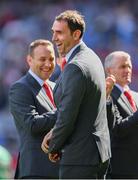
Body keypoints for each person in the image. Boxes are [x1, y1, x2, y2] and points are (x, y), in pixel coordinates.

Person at [41, 10, 111, 179]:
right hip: (97, 153)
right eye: (53, 32)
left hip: (80, 157)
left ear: (76, 34)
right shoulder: (92, 57)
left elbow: (68, 114)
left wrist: (54, 145)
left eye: (59, 33)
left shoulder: (76, 66)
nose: (54, 38)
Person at [9, 39, 59, 179]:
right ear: (29, 60)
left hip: (60, 169)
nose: (48, 64)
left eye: (51, 59)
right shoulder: (20, 88)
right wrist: (65, 112)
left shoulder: (56, 87)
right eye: (42, 59)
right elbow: (31, 124)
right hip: (36, 170)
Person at [104, 51, 138, 179]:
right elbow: (117, 129)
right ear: (109, 71)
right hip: (121, 170)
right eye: (122, 67)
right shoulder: (107, 96)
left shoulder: (136, 96)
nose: (127, 70)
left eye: (129, 66)